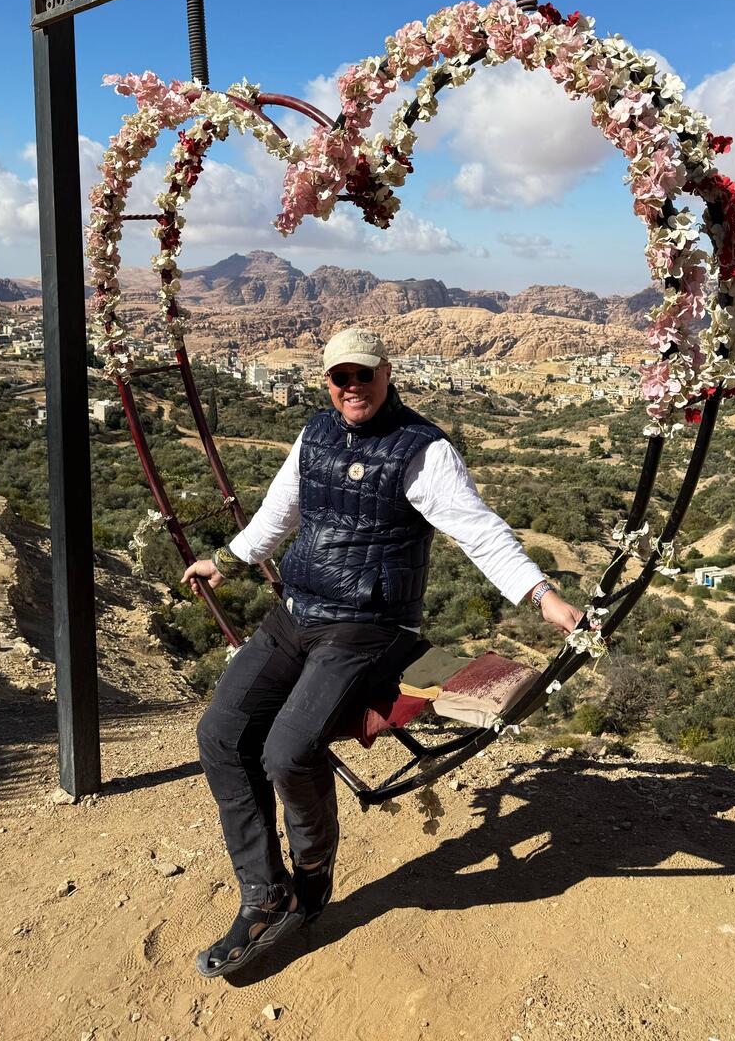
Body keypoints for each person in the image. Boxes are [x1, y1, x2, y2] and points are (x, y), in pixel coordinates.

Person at [181, 325, 583, 977]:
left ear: (387, 373)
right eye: (340, 377)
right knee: (222, 735)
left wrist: (542, 596)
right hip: (299, 613)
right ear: (327, 380)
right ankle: (263, 893)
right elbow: (280, 512)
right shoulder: (314, 436)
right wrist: (227, 561)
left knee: (288, 750)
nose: (352, 387)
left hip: (369, 626)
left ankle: (312, 873)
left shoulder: (421, 451)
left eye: (363, 375)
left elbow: (478, 531)